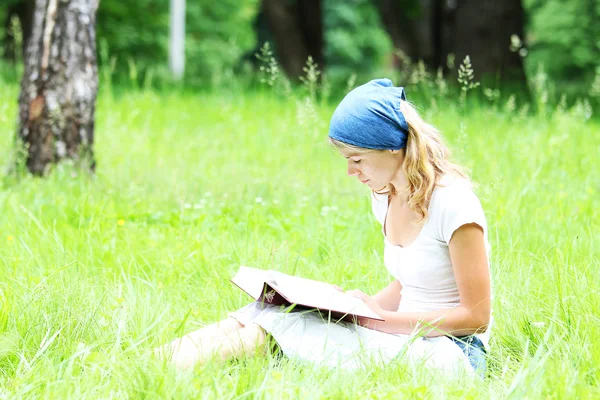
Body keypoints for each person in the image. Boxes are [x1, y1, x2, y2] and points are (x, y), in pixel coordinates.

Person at [154, 78, 492, 376]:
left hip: (453, 351)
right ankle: (151, 361)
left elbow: (476, 317)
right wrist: (356, 308)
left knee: (284, 328)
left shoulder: (453, 204)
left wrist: (374, 319)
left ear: (391, 147)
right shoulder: (385, 194)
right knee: (269, 309)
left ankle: (162, 375)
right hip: (403, 330)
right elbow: (413, 282)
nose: (350, 172)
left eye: (356, 159)